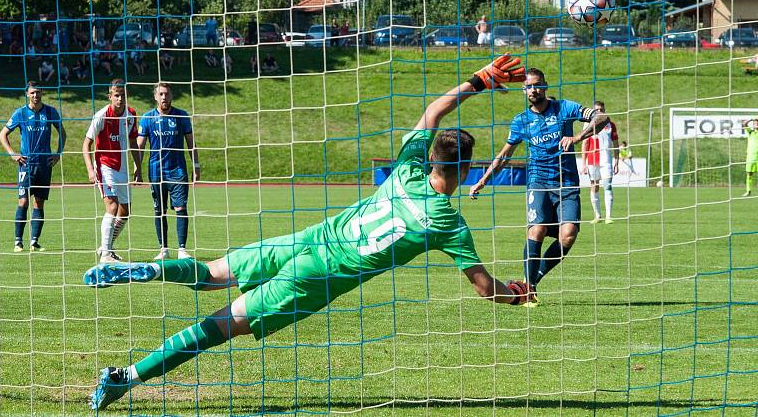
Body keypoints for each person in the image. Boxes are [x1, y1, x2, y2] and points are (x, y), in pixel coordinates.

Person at [83, 55, 533, 411]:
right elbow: (484, 289)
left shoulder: (406, 171)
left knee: (209, 271)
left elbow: (434, 110)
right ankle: (125, 378)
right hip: (315, 278)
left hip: (306, 239)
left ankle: (148, 267)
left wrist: (481, 80)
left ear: (432, 157)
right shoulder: (448, 223)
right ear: (466, 170)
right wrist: (514, 293)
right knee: (216, 326)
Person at [469, 66, 611, 306]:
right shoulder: (521, 121)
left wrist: (578, 137)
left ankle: (532, 279)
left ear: (545, 86)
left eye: (537, 85)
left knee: (568, 236)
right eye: (528, 87)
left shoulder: (565, 108)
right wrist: (481, 182)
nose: (533, 90)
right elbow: (504, 155)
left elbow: (602, 118)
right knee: (536, 230)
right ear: (524, 91)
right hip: (538, 182)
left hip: (567, 183)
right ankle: (530, 288)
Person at [0, 81, 66, 252]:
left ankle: (34, 242)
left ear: (42, 93)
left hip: (44, 164)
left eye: (38, 92)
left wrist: (58, 153)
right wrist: (12, 153)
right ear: (27, 94)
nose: (36, 95)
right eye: (32, 93)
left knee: (39, 202)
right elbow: (2, 135)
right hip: (26, 164)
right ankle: (18, 242)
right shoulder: (20, 113)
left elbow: (62, 133)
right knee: (23, 201)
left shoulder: (50, 112)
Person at [136, 82, 200, 260]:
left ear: (172, 96)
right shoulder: (147, 118)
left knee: (181, 208)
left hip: (178, 170)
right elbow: (140, 146)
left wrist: (196, 165)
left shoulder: (182, 116)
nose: (164, 97)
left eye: (167, 94)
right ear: (155, 97)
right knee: (159, 210)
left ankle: (182, 249)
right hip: (156, 171)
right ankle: (163, 249)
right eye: (161, 94)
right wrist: (137, 168)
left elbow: (191, 143)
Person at [82, 79, 142, 263]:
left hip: (122, 168)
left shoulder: (131, 115)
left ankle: (106, 246)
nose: (120, 98)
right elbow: (86, 144)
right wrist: (91, 170)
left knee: (125, 211)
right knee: (113, 206)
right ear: (110, 97)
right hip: (104, 166)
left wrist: (138, 167)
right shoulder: (101, 116)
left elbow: (133, 143)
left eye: (123, 95)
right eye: (116, 95)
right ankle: (106, 254)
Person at [581, 101, 619, 224]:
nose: (599, 112)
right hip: (592, 160)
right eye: (597, 110)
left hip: (606, 160)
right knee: (594, 186)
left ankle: (609, 216)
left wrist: (617, 161)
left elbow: (615, 143)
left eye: (601, 110)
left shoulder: (610, 124)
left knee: (608, 186)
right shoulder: (588, 124)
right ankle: (597, 216)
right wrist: (583, 163)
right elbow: (585, 143)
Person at [742, 118, 758, 196]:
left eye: (757, 122)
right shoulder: (750, 132)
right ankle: (748, 191)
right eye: (755, 123)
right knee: (749, 174)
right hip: (751, 157)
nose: (756, 124)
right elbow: (744, 124)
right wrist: (751, 119)